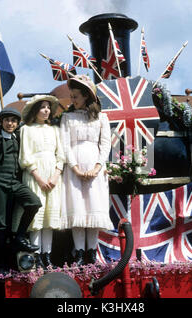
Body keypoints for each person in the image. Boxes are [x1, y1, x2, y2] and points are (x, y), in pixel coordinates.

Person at [0, 107, 42, 269]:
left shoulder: (17, 139)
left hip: (14, 182)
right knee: (0, 224)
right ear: (1, 122)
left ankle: (20, 237)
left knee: (34, 202)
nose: (10, 123)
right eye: (7, 120)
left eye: (13, 120)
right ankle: (0, 263)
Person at [60, 75, 112, 265]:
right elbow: (65, 145)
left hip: (95, 168)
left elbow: (105, 144)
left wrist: (97, 167)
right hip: (74, 170)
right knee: (78, 210)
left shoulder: (101, 118)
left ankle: (92, 252)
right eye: (71, 96)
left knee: (93, 209)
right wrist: (75, 168)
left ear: (86, 96)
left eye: (76, 96)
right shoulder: (67, 118)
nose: (72, 100)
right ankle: (79, 253)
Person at [19, 95, 64, 268]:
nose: (46, 110)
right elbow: (25, 156)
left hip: (52, 175)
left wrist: (55, 176)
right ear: (35, 110)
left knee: (49, 218)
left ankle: (47, 256)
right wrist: (38, 177)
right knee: (36, 218)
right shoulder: (26, 130)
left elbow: (61, 155)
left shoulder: (54, 130)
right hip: (35, 175)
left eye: (48, 107)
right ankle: (35, 256)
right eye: (42, 107)